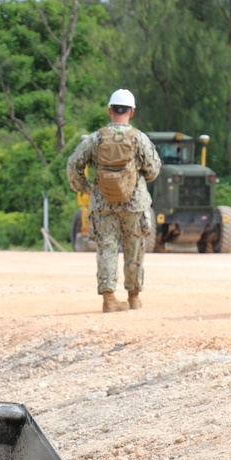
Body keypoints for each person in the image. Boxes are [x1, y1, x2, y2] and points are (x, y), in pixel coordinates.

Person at [67, 89, 161, 312]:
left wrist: (86, 189)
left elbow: (73, 165)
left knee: (106, 248)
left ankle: (109, 300)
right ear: (132, 112)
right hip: (134, 203)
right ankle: (134, 298)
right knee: (134, 249)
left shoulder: (96, 138)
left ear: (110, 110)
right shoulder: (139, 138)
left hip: (103, 203)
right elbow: (153, 170)